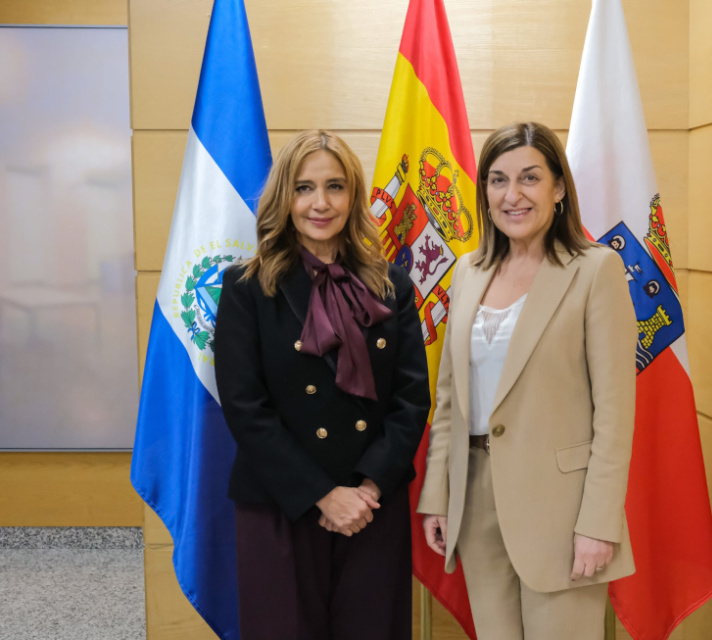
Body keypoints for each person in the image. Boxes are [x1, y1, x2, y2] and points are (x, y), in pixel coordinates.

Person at [417, 122, 637, 639]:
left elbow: (615, 413)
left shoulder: (596, 270)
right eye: (497, 180)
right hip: (474, 504)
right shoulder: (468, 270)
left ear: (558, 188)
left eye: (529, 178)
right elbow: (449, 398)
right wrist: (437, 497)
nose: (512, 195)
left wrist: (599, 523)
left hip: (562, 512)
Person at [215, 130, 430, 640]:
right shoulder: (247, 287)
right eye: (304, 188)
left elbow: (411, 398)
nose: (320, 203)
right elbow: (246, 407)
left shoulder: (391, 285)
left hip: (371, 504)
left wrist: (368, 487)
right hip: (281, 502)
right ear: (283, 198)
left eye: (335, 186)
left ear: (353, 195)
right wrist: (322, 495)